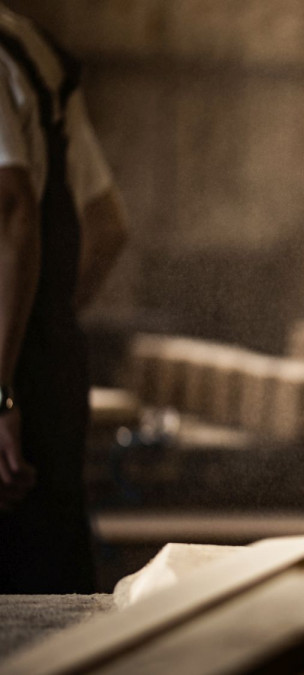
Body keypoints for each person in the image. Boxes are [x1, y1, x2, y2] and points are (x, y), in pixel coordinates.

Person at [0, 6, 128, 593]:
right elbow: (107, 226)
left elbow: (12, 208)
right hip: (44, 374)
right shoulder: (30, 49)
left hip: (12, 391)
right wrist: (44, 333)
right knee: (53, 594)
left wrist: (5, 390)